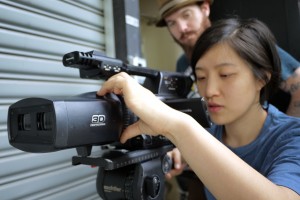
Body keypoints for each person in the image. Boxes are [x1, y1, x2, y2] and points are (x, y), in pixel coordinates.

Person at [98, 18, 300, 200]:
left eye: (226, 74)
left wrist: (177, 126)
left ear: (261, 78)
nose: (209, 90)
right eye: (201, 77)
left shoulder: (293, 137)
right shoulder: (210, 131)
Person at [155, 0, 300, 117]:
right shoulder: (182, 64)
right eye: (171, 23)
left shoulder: (243, 43)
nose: (181, 28)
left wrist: (286, 132)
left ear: (205, 8)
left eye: (186, 15)